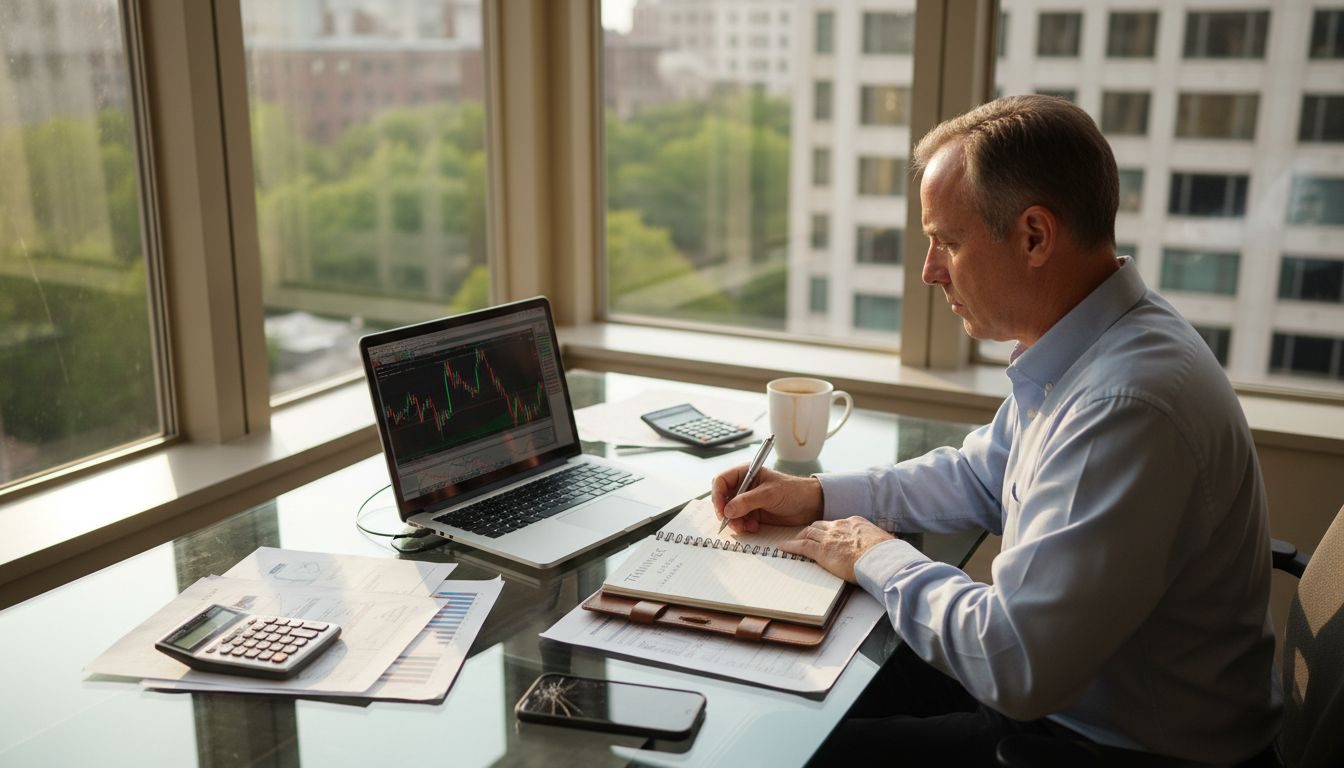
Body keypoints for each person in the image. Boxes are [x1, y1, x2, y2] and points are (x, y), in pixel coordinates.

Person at [712, 95, 1280, 766]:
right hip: (1072, 699)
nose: (930, 270)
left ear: (1034, 236)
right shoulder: (1091, 344)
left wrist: (872, 553)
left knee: (779, 752)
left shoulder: (1126, 406)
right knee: (785, 688)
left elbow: (1015, 661)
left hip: (1104, 745)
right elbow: (982, 475)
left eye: (947, 242)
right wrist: (819, 496)